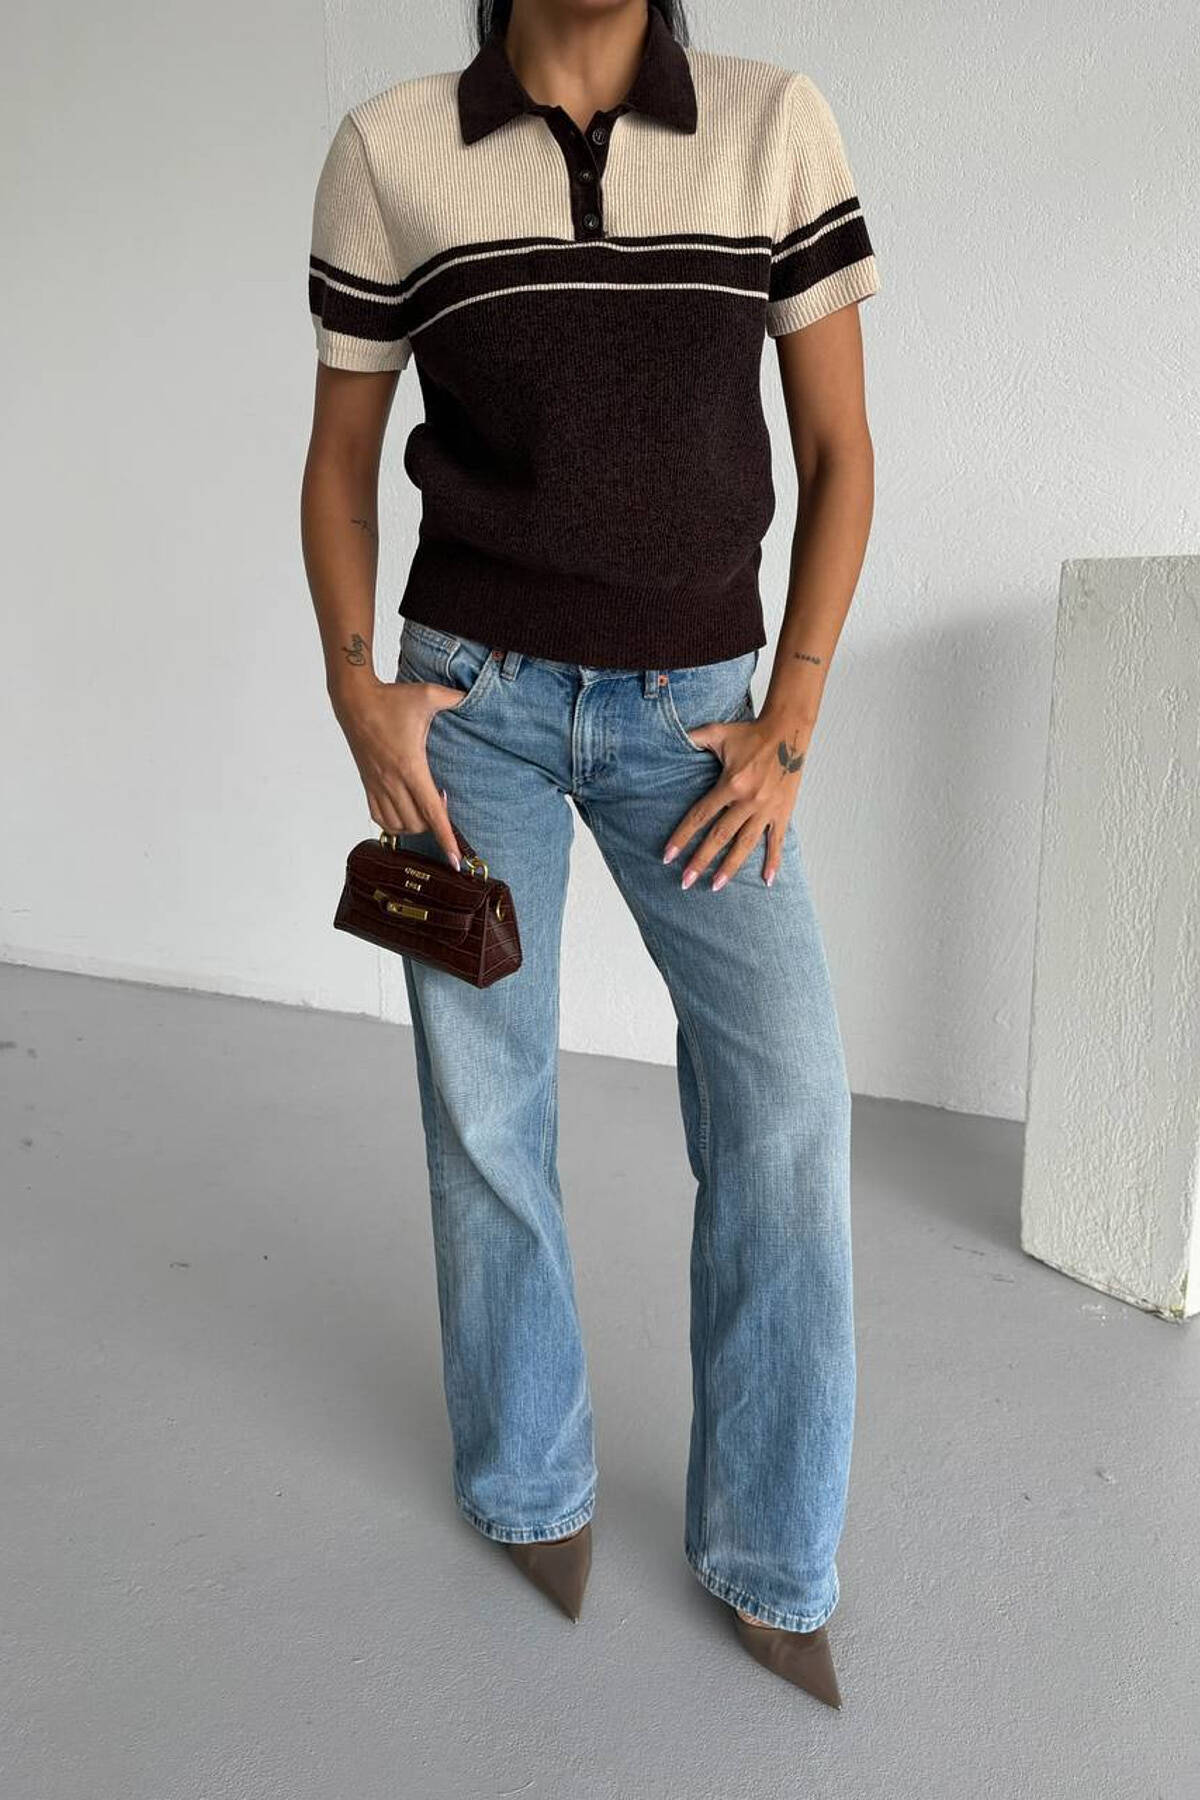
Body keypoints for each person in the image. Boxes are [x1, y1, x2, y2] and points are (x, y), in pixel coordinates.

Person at [300, 0, 879, 1708]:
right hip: (466, 713)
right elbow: (341, 461)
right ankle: (526, 1480)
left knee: (786, 1103)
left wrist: (791, 717)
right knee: (487, 1109)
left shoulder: (772, 127)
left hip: (696, 727)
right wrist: (358, 692)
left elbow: (841, 452)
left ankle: (772, 1549)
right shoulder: (391, 151)